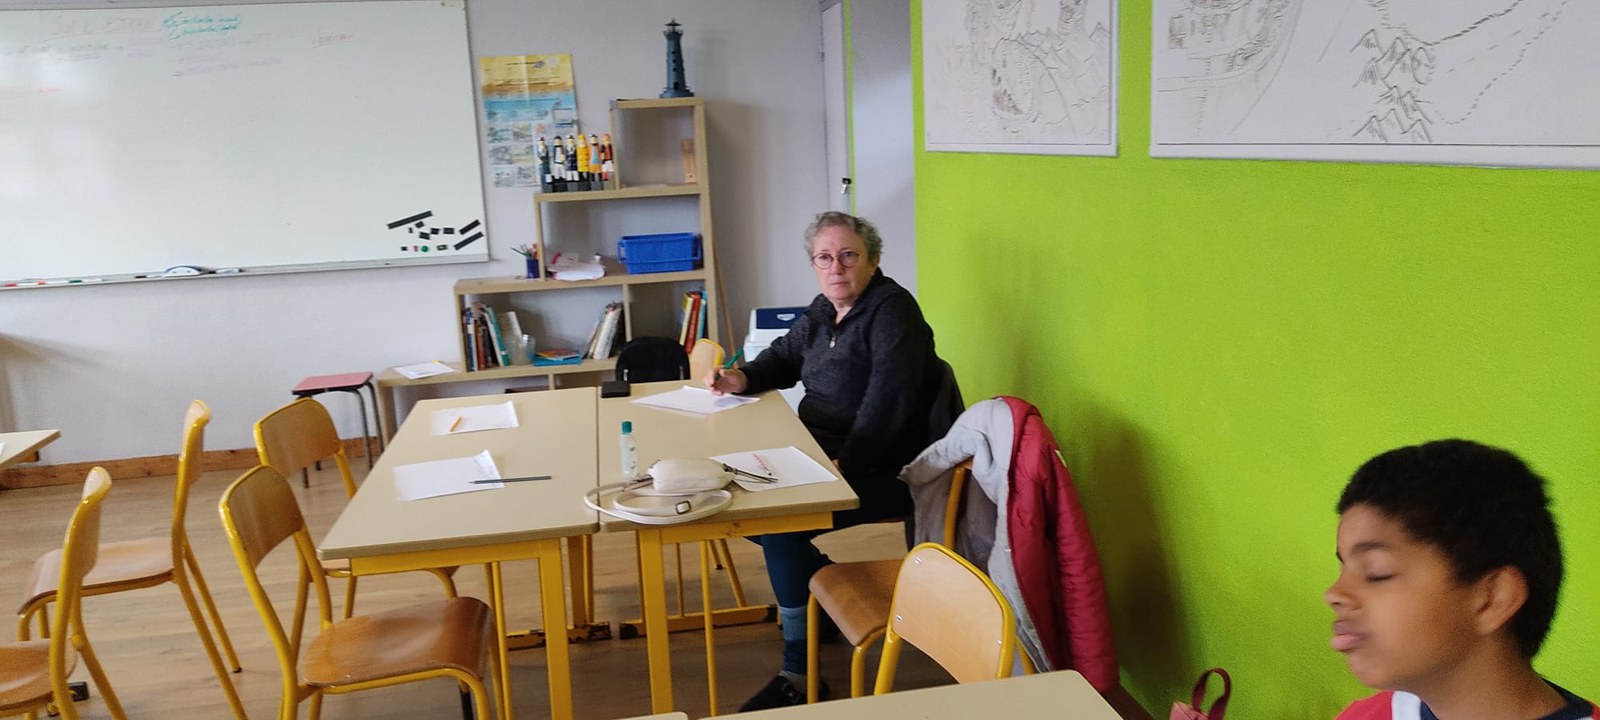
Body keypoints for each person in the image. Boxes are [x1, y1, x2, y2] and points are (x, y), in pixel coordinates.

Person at [706, 211, 943, 711]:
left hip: (887, 468)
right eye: (825, 257)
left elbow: (888, 406)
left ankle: (800, 672)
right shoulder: (823, 309)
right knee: (737, 503)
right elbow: (783, 357)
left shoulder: (893, 313)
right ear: (814, 264)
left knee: (779, 526)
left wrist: (843, 465)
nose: (836, 267)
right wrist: (740, 378)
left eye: (849, 255)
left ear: (873, 260)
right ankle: (818, 595)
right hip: (821, 457)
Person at [1326, 439, 1596, 720]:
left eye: (1376, 572)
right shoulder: (1367, 715)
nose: (1334, 594)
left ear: (1492, 598)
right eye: (1343, 568)